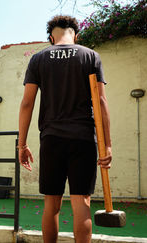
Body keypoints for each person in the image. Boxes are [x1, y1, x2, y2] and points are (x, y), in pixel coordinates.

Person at [18, 15, 112, 243]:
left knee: (52, 204)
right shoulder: (90, 56)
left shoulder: (38, 59)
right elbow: (100, 102)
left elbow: (27, 103)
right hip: (83, 139)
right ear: (76, 35)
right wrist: (107, 144)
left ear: (51, 37)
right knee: (82, 203)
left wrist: (22, 144)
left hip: (51, 139)